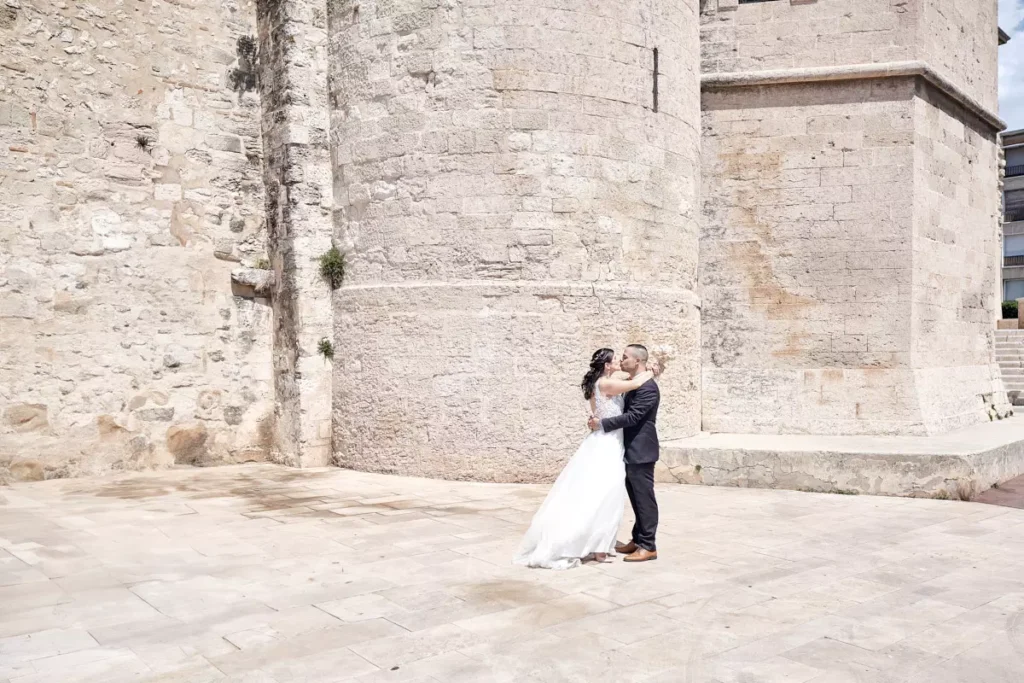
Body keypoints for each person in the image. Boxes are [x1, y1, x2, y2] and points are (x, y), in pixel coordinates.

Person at [513, 348, 654, 569]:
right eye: (616, 358)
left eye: (623, 357)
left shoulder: (604, 382)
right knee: (605, 494)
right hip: (608, 444)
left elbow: (633, 391)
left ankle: (624, 544)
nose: (619, 360)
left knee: (604, 493)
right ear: (607, 366)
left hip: (608, 442)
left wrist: (652, 370)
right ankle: (600, 547)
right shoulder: (607, 384)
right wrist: (653, 371)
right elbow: (635, 384)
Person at [588, 344, 660, 562]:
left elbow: (634, 417)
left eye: (625, 357)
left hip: (641, 449)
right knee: (635, 497)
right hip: (627, 448)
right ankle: (637, 539)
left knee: (644, 499)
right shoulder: (633, 384)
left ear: (637, 361)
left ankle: (648, 545)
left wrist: (602, 423)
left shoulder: (648, 388)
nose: (621, 360)